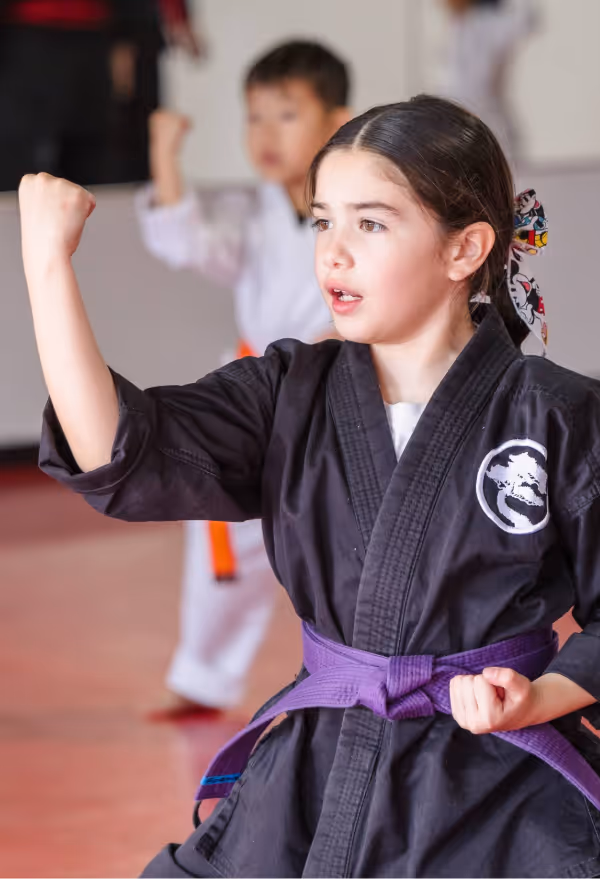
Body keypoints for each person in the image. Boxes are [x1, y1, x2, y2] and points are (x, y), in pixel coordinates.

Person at [20, 94, 600, 877]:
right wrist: (47, 266)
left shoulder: (557, 412)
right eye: (322, 220)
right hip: (321, 768)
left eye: (371, 223)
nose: (333, 253)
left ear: (466, 248)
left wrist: (543, 697)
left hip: (499, 783)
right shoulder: (289, 389)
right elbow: (120, 451)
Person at [135, 41, 350, 715]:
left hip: (345, 394)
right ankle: (204, 674)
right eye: (254, 116)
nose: (264, 133)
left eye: (285, 114)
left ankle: (365, 673)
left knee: (354, 536)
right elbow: (188, 241)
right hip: (267, 396)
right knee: (222, 533)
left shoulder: (364, 203)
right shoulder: (257, 212)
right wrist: (166, 156)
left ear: (338, 121)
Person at [439, 0, 538, 163]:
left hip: (486, 122)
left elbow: (527, 18)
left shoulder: (493, 25)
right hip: (459, 121)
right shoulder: (459, 27)